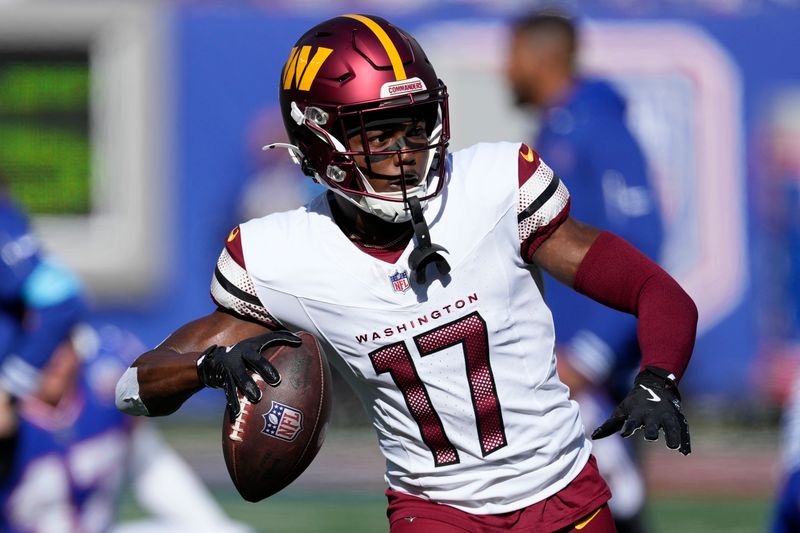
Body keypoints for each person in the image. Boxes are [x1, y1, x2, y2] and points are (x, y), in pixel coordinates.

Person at [116, 14, 697, 533]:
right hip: (434, 510)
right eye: (379, 132)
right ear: (321, 141)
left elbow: (656, 289)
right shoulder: (281, 256)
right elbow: (132, 388)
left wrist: (660, 374)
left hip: (564, 496)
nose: (406, 151)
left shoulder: (492, 188)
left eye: (414, 125)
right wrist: (207, 366)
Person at [506, 12, 665, 532]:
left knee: (610, 510)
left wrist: (591, 355)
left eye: (511, 55)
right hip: (558, 368)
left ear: (537, 56)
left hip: (595, 376)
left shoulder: (599, 127)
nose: (505, 69)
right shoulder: (556, 128)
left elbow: (644, 246)